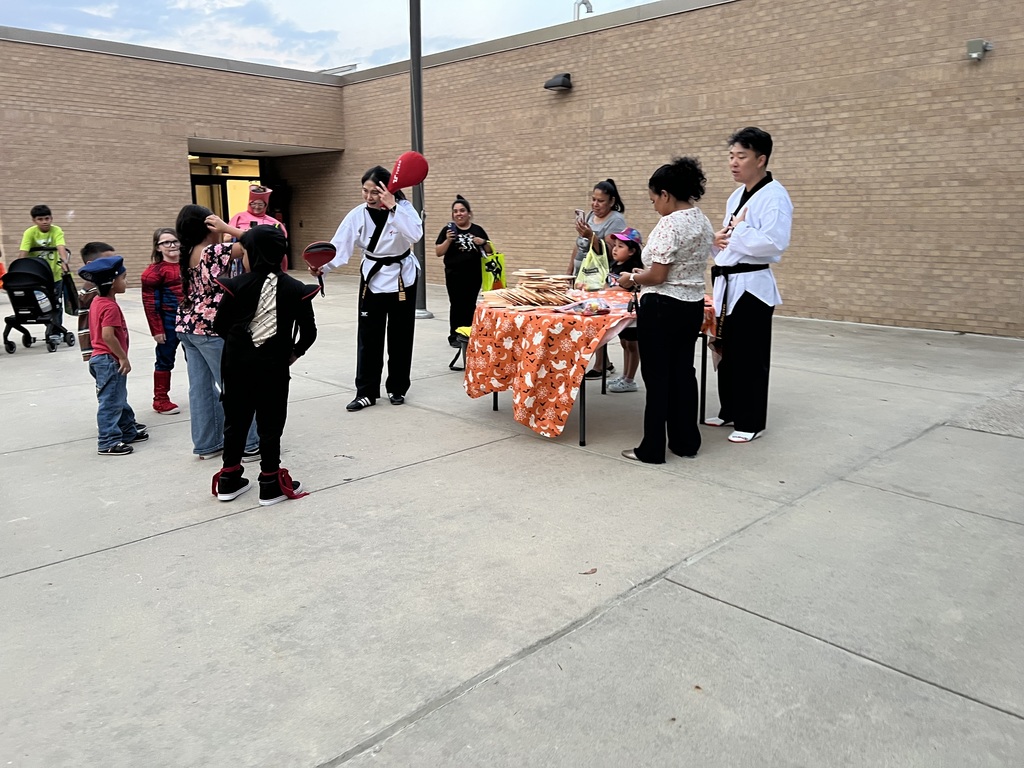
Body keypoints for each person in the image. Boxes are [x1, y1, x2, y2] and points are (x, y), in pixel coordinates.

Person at [211, 225, 318, 505]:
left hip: (236, 366)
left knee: (235, 422)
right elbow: (309, 332)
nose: (242, 258)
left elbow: (219, 324)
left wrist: (241, 346)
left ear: (253, 254)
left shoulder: (236, 285)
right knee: (270, 424)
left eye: (244, 252)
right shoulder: (296, 289)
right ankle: (270, 482)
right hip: (274, 366)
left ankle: (229, 480)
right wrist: (294, 353)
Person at [618, 157, 713, 464]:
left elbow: (657, 276)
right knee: (683, 373)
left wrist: (631, 278)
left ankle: (652, 447)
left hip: (661, 306)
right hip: (691, 304)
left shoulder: (669, 224)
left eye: (653, 200)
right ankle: (685, 441)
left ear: (666, 194)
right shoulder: (702, 220)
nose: (654, 206)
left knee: (658, 377)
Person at [312, 165, 423, 411]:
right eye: (365, 191)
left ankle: (397, 388)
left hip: (403, 278)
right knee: (369, 337)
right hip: (373, 279)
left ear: (387, 191)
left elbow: (416, 234)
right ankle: (366, 392)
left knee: (401, 337)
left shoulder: (404, 210)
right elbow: (339, 246)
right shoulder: (357, 214)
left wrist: (394, 206)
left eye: (375, 192)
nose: (369, 197)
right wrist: (323, 267)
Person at [709, 127, 793, 443]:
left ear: (761, 159)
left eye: (741, 156)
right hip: (728, 282)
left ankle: (751, 420)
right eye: (731, 156)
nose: (733, 163)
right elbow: (730, 237)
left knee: (749, 356)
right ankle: (729, 410)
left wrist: (739, 232)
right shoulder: (737, 195)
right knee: (725, 351)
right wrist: (717, 241)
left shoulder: (775, 196)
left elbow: (775, 242)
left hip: (753, 285)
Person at [174, 204, 260, 460]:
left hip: (188, 325)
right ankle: (249, 443)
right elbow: (256, 241)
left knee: (200, 388)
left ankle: (207, 443)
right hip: (213, 327)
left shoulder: (188, 251)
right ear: (208, 226)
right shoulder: (212, 251)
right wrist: (228, 228)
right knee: (236, 385)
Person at [78, 255, 148, 456]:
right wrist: (123, 357)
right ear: (111, 283)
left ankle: (127, 430)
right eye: (123, 278)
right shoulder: (110, 307)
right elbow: (108, 336)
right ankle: (108, 441)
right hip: (109, 359)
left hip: (100, 359)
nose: (125, 282)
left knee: (118, 396)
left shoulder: (98, 301)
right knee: (110, 401)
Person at [569, 180, 627, 377]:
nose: (595, 204)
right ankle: (605, 362)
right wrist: (569, 272)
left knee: (595, 318)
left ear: (611, 201)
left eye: (600, 201)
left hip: (598, 278)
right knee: (584, 317)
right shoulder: (591, 216)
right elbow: (578, 245)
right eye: (593, 199)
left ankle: (600, 364)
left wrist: (591, 235)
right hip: (582, 276)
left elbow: (611, 251)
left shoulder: (616, 220)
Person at [435, 194, 492, 348]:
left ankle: (470, 333)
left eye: (462, 210)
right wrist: (448, 240)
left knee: (470, 304)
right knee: (456, 305)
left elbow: (491, 251)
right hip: (454, 275)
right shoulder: (448, 230)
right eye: (455, 211)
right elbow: (438, 252)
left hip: (474, 275)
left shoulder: (477, 229)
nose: (458, 214)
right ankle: (455, 336)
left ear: (469, 213)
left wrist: (484, 242)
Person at [141, 229, 184, 415]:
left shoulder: (190, 263)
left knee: (199, 359)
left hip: (194, 319)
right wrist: (157, 329)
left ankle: (207, 394)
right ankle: (160, 399)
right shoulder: (153, 272)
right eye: (166, 242)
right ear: (158, 247)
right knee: (165, 360)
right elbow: (150, 304)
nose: (172, 245)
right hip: (168, 321)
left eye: (175, 241)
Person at [18, 204, 71, 333]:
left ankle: (56, 331)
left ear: (51, 218)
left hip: (55, 275)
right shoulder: (30, 233)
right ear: (34, 221)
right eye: (40, 219)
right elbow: (23, 252)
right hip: (37, 277)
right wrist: (19, 269)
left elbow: (61, 247)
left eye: (47, 218)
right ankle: (50, 326)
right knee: (41, 304)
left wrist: (64, 261)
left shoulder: (56, 230)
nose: (44, 222)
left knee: (56, 303)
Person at [605, 227, 644, 394]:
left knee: (633, 345)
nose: (615, 249)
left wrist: (604, 292)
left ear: (632, 251)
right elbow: (608, 284)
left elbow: (623, 289)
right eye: (615, 245)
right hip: (618, 312)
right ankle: (625, 376)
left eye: (621, 246)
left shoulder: (632, 268)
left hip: (631, 313)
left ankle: (630, 379)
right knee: (624, 344)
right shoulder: (614, 264)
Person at [227, 185, 288, 272]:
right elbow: (226, 238)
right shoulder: (239, 217)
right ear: (249, 203)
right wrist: (244, 234)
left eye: (260, 204)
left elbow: (281, 243)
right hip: (240, 260)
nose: (256, 207)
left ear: (265, 205)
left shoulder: (274, 222)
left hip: (266, 261)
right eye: (254, 203)